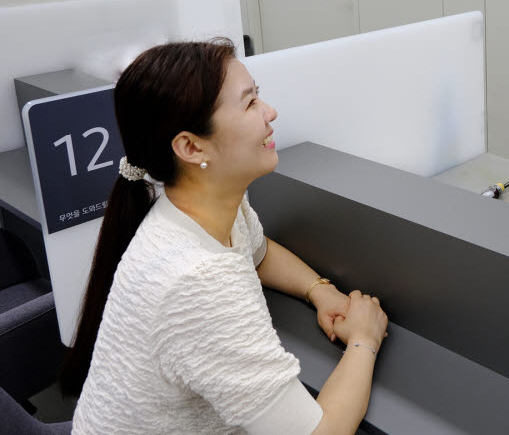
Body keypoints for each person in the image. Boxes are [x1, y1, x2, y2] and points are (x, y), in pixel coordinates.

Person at [62, 40, 388, 435]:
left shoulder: (201, 206)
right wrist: (364, 341)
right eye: (249, 104)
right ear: (191, 146)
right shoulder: (197, 283)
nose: (270, 113)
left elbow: (258, 252)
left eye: (259, 96)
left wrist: (318, 290)